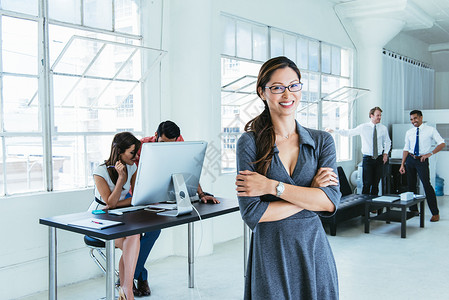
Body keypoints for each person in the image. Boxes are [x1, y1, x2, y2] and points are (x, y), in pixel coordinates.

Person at [235, 56, 341, 299]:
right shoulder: (249, 143)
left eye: (294, 85)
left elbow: (330, 203)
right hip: (271, 254)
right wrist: (310, 195)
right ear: (262, 92)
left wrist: (272, 186)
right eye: (277, 88)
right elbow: (253, 213)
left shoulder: (322, 141)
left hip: (314, 252)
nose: (287, 94)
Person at [131, 120, 219, 296]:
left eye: (171, 143)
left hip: (161, 196)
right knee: (135, 236)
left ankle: (130, 275)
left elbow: (188, 169)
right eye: (163, 143)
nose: (167, 148)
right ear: (156, 136)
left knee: (153, 232)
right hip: (135, 196)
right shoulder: (141, 146)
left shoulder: (177, 142)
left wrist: (201, 194)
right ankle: (137, 277)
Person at [92, 132, 141, 300]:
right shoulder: (100, 172)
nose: (135, 157)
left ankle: (126, 289)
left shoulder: (133, 167)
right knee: (130, 240)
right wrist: (120, 179)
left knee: (134, 235)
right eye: (131, 152)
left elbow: (135, 198)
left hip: (118, 215)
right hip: (98, 218)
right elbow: (109, 202)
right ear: (119, 151)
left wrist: (116, 205)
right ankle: (126, 291)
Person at [326, 107, 391, 196]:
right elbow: (349, 132)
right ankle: (365, 207)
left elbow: (387, 141)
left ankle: (374, 208)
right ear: (371, 116)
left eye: (380, 115)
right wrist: (334, 131)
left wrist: (385, 153)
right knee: (367, 183)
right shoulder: (363, 127)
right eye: (377, 115)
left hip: (379, 158)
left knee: (376, 184)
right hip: (368, 159)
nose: (379, 117)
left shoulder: (383, 128)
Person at [399, 110, 446, 222]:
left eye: (415, 118)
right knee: (411, 186)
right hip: (410, 159)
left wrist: (430, 153)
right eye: (411, 119)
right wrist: (402, 164)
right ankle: (413, 210)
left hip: (422, 160)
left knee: (427, 185)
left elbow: (442, 143)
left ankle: (435, 213)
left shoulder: (430, 130)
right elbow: (406, 148)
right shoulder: (409, 132)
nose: (413, 121)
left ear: (420, 118)